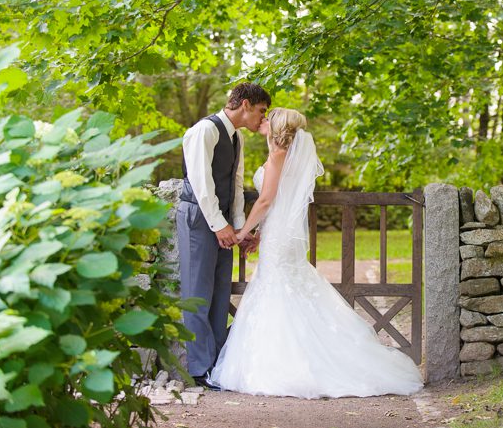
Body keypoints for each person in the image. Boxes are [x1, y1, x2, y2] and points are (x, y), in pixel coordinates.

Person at [209, 108, 424, 398]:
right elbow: (281, 201)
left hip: (280, 235)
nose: (263, 120)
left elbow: (266, 201)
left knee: (279, 289)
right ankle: (291, 357)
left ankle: (284, 364)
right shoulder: (287, 156)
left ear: (277, 127)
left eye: (268, 118)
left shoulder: (278, 156)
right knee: (285, 288)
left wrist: (242, 231)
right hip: (280, 231)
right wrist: (260, 233)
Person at [176, 83, 270, 390]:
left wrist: (240, 227)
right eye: (261, 111)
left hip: (224, 222)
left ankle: (216, 365)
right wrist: (219, 225)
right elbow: (201, 182)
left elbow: (236, 184)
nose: (262, 118)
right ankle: (199, 369)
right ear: (245, 104)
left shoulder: (237, 137)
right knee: (197, 293)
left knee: (219, 294)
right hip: (199, 219)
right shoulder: (204, 130)